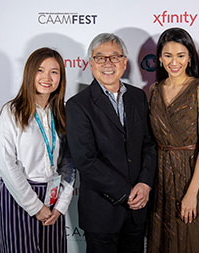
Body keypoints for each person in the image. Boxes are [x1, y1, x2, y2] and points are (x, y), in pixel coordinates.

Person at [65, 33, 157, 253]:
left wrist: (144, 184)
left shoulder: (137, 97)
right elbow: (85, 160)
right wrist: (127, 193)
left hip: (137, 212)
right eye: (100, 58)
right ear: (90, 64)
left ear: (124, 62)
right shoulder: (78, 105)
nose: (108, 63)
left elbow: (149, 145)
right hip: (101, 214)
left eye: (114, 57)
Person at [147, 27, 199, 253]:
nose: (174, 62)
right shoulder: (154, 90)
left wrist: (191, 193)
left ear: (190, 57)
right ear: (159, 58)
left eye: (180, 55)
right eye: (168, 55)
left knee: (192, 239)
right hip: (161, 181)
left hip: (192, 177)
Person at [0, 47, 75, 253]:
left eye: (54, 72)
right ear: (30, 72)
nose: (47, 77)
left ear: (61, 77)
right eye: (40, 70)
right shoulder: (12, 111)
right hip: (19, 195)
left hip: (53, 195)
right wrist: (35, 207)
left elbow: (68, 162)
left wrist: (60, 205)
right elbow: (6, 163)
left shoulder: (63, 113)